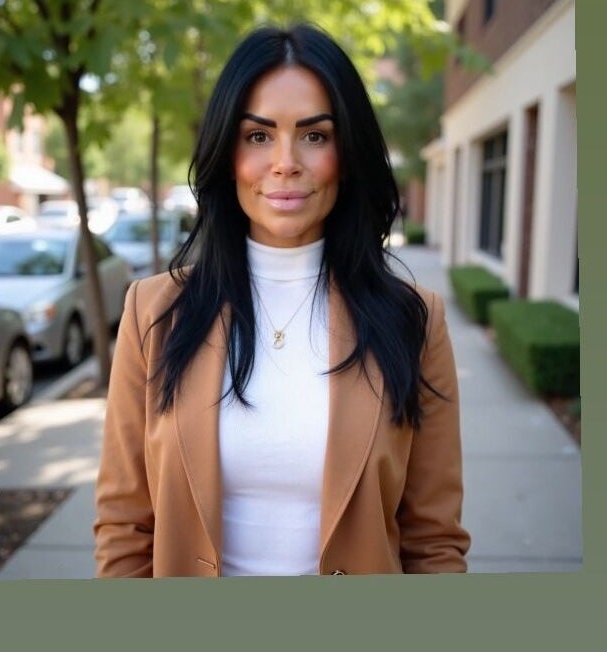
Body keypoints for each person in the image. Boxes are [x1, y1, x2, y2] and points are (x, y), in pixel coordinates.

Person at [93, 23, 470, 577]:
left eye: (315, 135)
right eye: (258, 136)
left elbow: (434, 542)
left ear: (348, 152)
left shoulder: (414, 321)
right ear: (227, 152)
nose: (286, 161)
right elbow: (125, 528)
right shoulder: (152, 314)